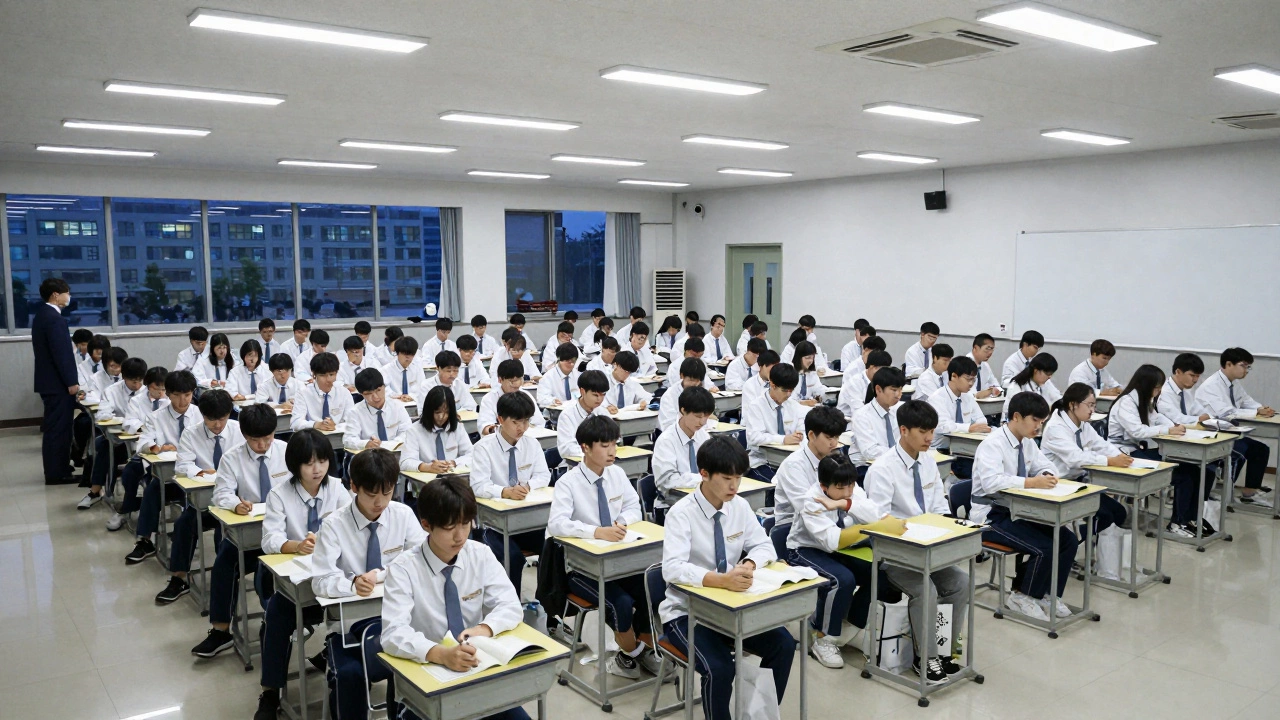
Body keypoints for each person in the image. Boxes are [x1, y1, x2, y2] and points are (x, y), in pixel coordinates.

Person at [660, 436, 796, 720]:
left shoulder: (739, 506)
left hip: (732, 607)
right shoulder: (680, 514)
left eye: (739, 478)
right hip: (687, 613)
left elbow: (764, 546)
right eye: (727, 478)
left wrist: (748, 563)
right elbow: (671, 569)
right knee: (720, 668)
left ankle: (759, 714)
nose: (734, 486)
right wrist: (720, 580)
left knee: (783, 644)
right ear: (704, 474)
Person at [380, 476, 527, 720]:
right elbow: (393, 634)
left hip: (476, 669)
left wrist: (484, 628)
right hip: (428, 673)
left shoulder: (480, 554)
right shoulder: (404, 569)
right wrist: (441, 654)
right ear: (426, 525)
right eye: (449, 528)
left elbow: (510, 605)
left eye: (465, 524)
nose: (459, 536)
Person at [311, 449, 425, 720]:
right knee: (350, 676)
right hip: (349, 630)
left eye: (387, 493)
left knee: (415, 672)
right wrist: (351, 585)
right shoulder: (333, 525)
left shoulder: (403, 515)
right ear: (353, 486)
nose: (380, 502)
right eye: (371, 494)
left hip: (401, 620)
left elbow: (421, 560)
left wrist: (381, 574)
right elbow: (320, 581)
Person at [547, 415, 661, 678]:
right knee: (619, 602)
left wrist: (621, 521)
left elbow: (634, 507)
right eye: (604, 445)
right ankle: (634, 653)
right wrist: (596, 532)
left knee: (649, 588)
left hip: (619, 560)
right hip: (581, 569)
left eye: (614, 444)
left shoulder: (617, 474)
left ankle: (632, 652)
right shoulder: (569, 482)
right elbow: (557, 524)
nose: (612, 451)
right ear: (585, 448)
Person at [864, 400, 967, 682]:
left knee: (960, 582)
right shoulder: (883, 469)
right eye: (923, 431)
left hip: (929, 548)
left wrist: (949, 528)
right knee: (926, 589)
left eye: (932, 431)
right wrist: (914, 532)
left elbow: (938, 504)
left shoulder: (928, 462)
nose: (929, 438)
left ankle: (944, 650)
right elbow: (878, 522)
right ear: (904, 430)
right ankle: (926, 657)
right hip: (895, 554)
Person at [254, 428, 350, 719]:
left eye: (322, 461)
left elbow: (351, 528)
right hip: (295, 577)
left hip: (332, 576)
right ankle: (270, 691)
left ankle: (335, 663)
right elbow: (269, 539)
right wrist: (296, 545)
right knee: (277, 615)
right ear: (295, 465)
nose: (317, 469)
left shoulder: (337, 488)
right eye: (309, 463)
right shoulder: (279, 494)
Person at [972, 392, 1071, 621]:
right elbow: (991, 482)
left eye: (1042, 422)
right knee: (1044, 547)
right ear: (1017, 416)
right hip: (990, 516)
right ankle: (1022, 596)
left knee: (1066, 539)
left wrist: (1045, 474)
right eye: (1035, 421)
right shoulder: (992, 444)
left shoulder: (1026, 442)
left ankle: (1048, 594)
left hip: (1018, 510)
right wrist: (1030, 482)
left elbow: (1045, 465)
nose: (1038, 427)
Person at [156, 389, 244, 604]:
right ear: (202, 415)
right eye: (211, 419)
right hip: (204, 500)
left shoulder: (239, 431)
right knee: (184, 524)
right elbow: (182, 465)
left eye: (222, 418)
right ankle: (179, 578)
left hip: (237, 502)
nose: (217, 425)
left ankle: (224, 582)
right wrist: (201, 472)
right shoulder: (191, 433)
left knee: (223, 534)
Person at [1108, 365, 1206, 537]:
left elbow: (1156, 418)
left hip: (1136, 450)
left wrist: (1173, 426)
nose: (1159, 390)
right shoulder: (1126, 402)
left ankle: (1190, 518)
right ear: (1146, 385)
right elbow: (1137, 431)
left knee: (1193, 470)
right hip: (1123, 453)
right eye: (1157, 386)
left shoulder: (1142, 399)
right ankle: (1177, 523)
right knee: (1181, 477)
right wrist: (1168, 431)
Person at [469, 391, 550, 593]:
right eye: (516, 422)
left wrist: (528, 486)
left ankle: (547, 604)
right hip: (492, 524)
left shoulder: (532, 444)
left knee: (553, 547)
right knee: (513, 558)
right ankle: (511, 607)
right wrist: (504, 491)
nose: (521, 428)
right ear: (500, 419)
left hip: (526, 519)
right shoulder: (483, 448)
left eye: (526, 421)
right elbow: (478, 486)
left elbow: (543, 475)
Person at [123, 370, 202, 563]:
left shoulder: (201, 415)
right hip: (168, 477)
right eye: (176, 395)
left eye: (187, 395)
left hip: (196, 476)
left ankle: (183, 537)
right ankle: (145, 540)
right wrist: (157, 448)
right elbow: (142, 444)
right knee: (153, 489)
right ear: (167, 393)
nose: (182, 401)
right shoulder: (156, 417)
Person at [1041, 383, 1130, 534]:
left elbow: (1100, 444)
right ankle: (1074, 539)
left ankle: (1079, 537)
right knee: (1105, 516)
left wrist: (1119, 456)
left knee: (1119, 512)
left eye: (1094, 406)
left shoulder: (1082, 424)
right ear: (1073, 404)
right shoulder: (1056, 427)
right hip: (1060, 485)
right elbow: (1075, 458)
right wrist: (1109, 461)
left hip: (1078, 483)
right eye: (1089, 405)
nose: (1092, 410)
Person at [1196, 347, 1275, 507]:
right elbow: (1226, 412)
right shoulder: (1212, 385)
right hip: (1214, 433)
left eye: (1248, 367)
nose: (1246, 370)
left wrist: (1261, 408)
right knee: (1241, 450)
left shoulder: (1233, 384)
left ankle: (1249, 493)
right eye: (1243, 365)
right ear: (1229, 364)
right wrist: (1255, 412)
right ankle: (1226, 495)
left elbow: (1246, 401)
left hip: (1231, 432)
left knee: (1261, 449)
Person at [81, 356, 147, 509]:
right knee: (105, 445)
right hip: (120, 440)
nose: (137, 385)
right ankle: (96, 491)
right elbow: (102, 415)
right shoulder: (111, 391)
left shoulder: (147, 392)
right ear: (124, 377)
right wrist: (127, 422)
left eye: (140, 381)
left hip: (142, 440)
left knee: (104, 446)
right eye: (133, 381)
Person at [772, 406, 848, 529]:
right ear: (812, 435)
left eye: (837, 437)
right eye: (829, 438)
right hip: (795, 529)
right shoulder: (793, 466)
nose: (834, 443)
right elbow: (808, 509)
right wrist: (842, 504)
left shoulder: (835, 460)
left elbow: (853, 495)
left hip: (831, 525)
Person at [652, 386, 715, 515]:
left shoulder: (703, 436)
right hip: (673, 505)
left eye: (707, 417)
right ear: (683, 411)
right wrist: (700, 479)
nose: (703, 422)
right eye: (698, 416)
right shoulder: (666, 441)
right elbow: (668, 481)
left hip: (703, 499)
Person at [924, 356, 989, 478]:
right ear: (954, 376)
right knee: (975, 473)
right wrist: (968, 428)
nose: (971, 383)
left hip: (963, 450)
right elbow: (943, 426)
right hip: (941, 450)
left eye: (973, 380)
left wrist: (976, 427)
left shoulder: (968, 397)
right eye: (968, 379)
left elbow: (982, 420)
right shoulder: (937, 398)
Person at [743, 363, 803, 481]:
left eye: (791, 390)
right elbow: (754, 438)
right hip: (762, 461)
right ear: (772, 385)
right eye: (785, 390)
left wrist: (799, 434)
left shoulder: (793, 405)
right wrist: (783, 440)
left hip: (790, 460)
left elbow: (802, 426)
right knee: (778, 483)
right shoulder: (756, 406)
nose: (789, 394)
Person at [402, 386, 473, 474]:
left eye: (446, 412)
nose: (441, 417)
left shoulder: (457, 427)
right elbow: (405, 462)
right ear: (429, 410)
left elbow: (472, 454)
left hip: (453, 479)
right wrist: (427, 467)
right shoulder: (414, 431)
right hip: (426, 482)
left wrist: (454, 462)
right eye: (437, 412)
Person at [848, 367, 906, 470]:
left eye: (900, 389)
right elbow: (870, 452)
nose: (898, 395)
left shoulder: (901, 410)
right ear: (878, 389)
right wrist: (903, 451)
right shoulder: (862, 416)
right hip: (866, 467)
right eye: (894, 390)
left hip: (896, 463)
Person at [344, 368, 412, 452]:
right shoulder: (355, 412)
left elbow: (408, 432)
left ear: (384, 386)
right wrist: (366, 444)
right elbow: (348, 439)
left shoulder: (397, 406)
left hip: (396, 454)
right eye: (369, 394)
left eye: (378, 390)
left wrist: (385, 445)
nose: (376, 397)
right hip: (370, 458)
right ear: (361, 394)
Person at [554, 370, 614, 462]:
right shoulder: (567, 415)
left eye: (603, 395)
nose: (600, 399)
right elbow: (566, 449)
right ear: (582, 391)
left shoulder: (603, 412)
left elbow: (613, 440)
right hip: (576, 465)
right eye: (595, 395)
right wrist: (595, 453)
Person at [477, 359, 546, 435]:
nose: (517, 384)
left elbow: (538, 423)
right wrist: (495, 429)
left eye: (520, 379)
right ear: (500, 380)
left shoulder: (526, 396)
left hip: (526, 438)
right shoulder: (489, 399)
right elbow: (485, 427)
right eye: (512, 381)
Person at [291, 351, 354, 432]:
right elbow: (295, 423)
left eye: (331, 375)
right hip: (312, 438)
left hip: (337, 437)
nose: (328, 380)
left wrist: (336, 426)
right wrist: (316, 424)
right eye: (323, 375)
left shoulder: (344, 393)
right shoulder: (303, 393)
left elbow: (352, 422)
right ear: (314, 375)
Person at [1001, 353, 1062, 421]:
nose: (1049, 377)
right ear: (1036, 370)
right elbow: (1024, 413)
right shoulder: (1017, 386)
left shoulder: (1046, 383)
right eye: (1047, 374)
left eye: (1051, 374)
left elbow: (1058, 399)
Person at [659, 358, 714, 432]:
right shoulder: (669, 396)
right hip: (676, 436)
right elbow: (668, 425)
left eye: (697, 380)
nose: (694, 384)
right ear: (682, 376)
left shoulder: (701, 392)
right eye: (691, 380)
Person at [380, 334, 424, 402]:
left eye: (411, 355)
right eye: (405, 355)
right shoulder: (386, 370)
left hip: (413, 402)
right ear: (397, 353)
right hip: (394, 403)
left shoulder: (417, 367)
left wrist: (412, 396)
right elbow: (384, 390)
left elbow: (422, 387)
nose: (408, 358)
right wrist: (398, 396)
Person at [537, 342, 581, 408]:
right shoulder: (548, 377)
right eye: (567, 361)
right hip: (555, 412)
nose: (571, 364)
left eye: (573, 361)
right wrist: (553, 401)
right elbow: (541, 399)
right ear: (559, 359)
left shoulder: (578, 376)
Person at [967, 333, 1003, 400]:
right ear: (975, 348)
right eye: (988, 348)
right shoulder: (965, 364)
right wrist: (990, 390)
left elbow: (997, 387)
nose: (990, 352)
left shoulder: (985, 365)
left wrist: (992, 390)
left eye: (992, 349)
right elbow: (974, 395)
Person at [789, 340, 825, 407]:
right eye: (807, 358)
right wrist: (803, 402)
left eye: (812, 358)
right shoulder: (790, 372)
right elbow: (788, 398)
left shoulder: (812, 373)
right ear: (799, 357)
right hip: (794, 408)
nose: (810, 361)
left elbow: (818, 389)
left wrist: (822, 395)